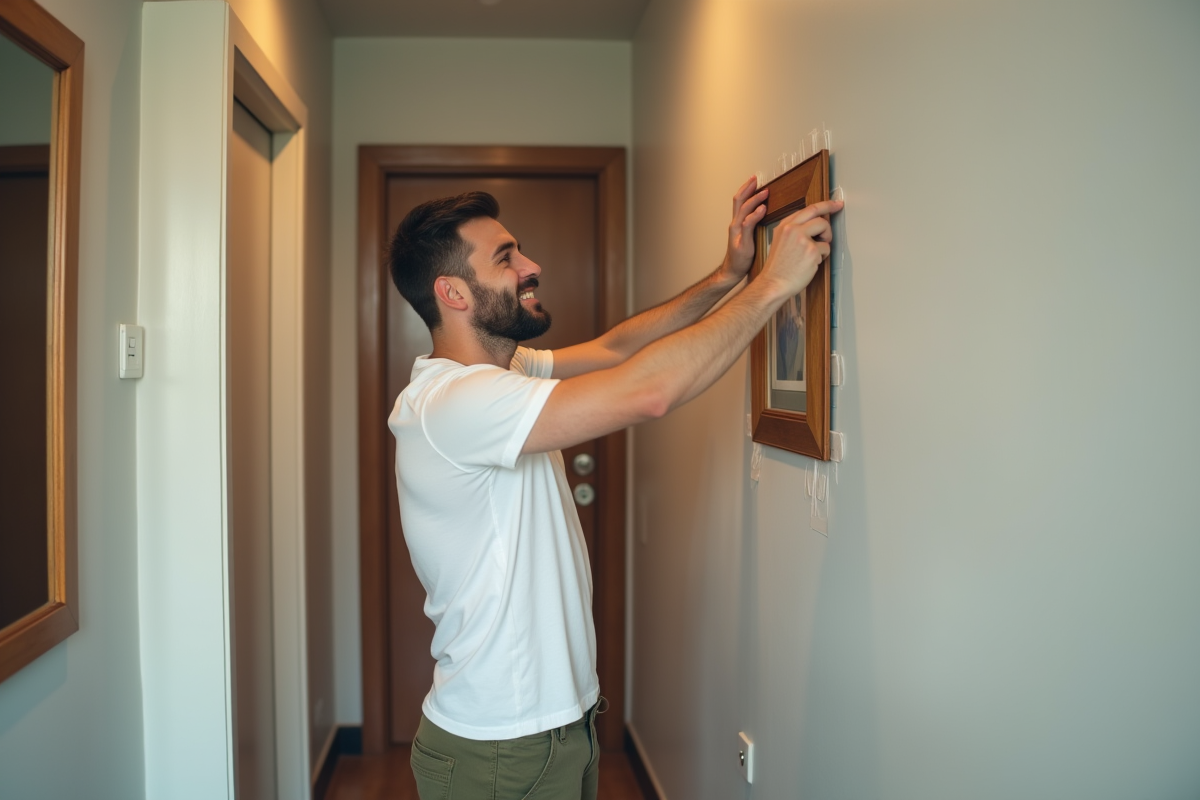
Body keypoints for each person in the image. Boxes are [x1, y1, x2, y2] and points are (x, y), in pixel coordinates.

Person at [387, 179, 841, 800]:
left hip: (555, 726)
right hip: (501, 746)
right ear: (453, 293)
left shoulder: (504, 371)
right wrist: (774, 285)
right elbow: (648, 393)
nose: (531, 266)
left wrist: (729, 277)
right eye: (506, 258)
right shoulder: (454, 402)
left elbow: (615, 349)